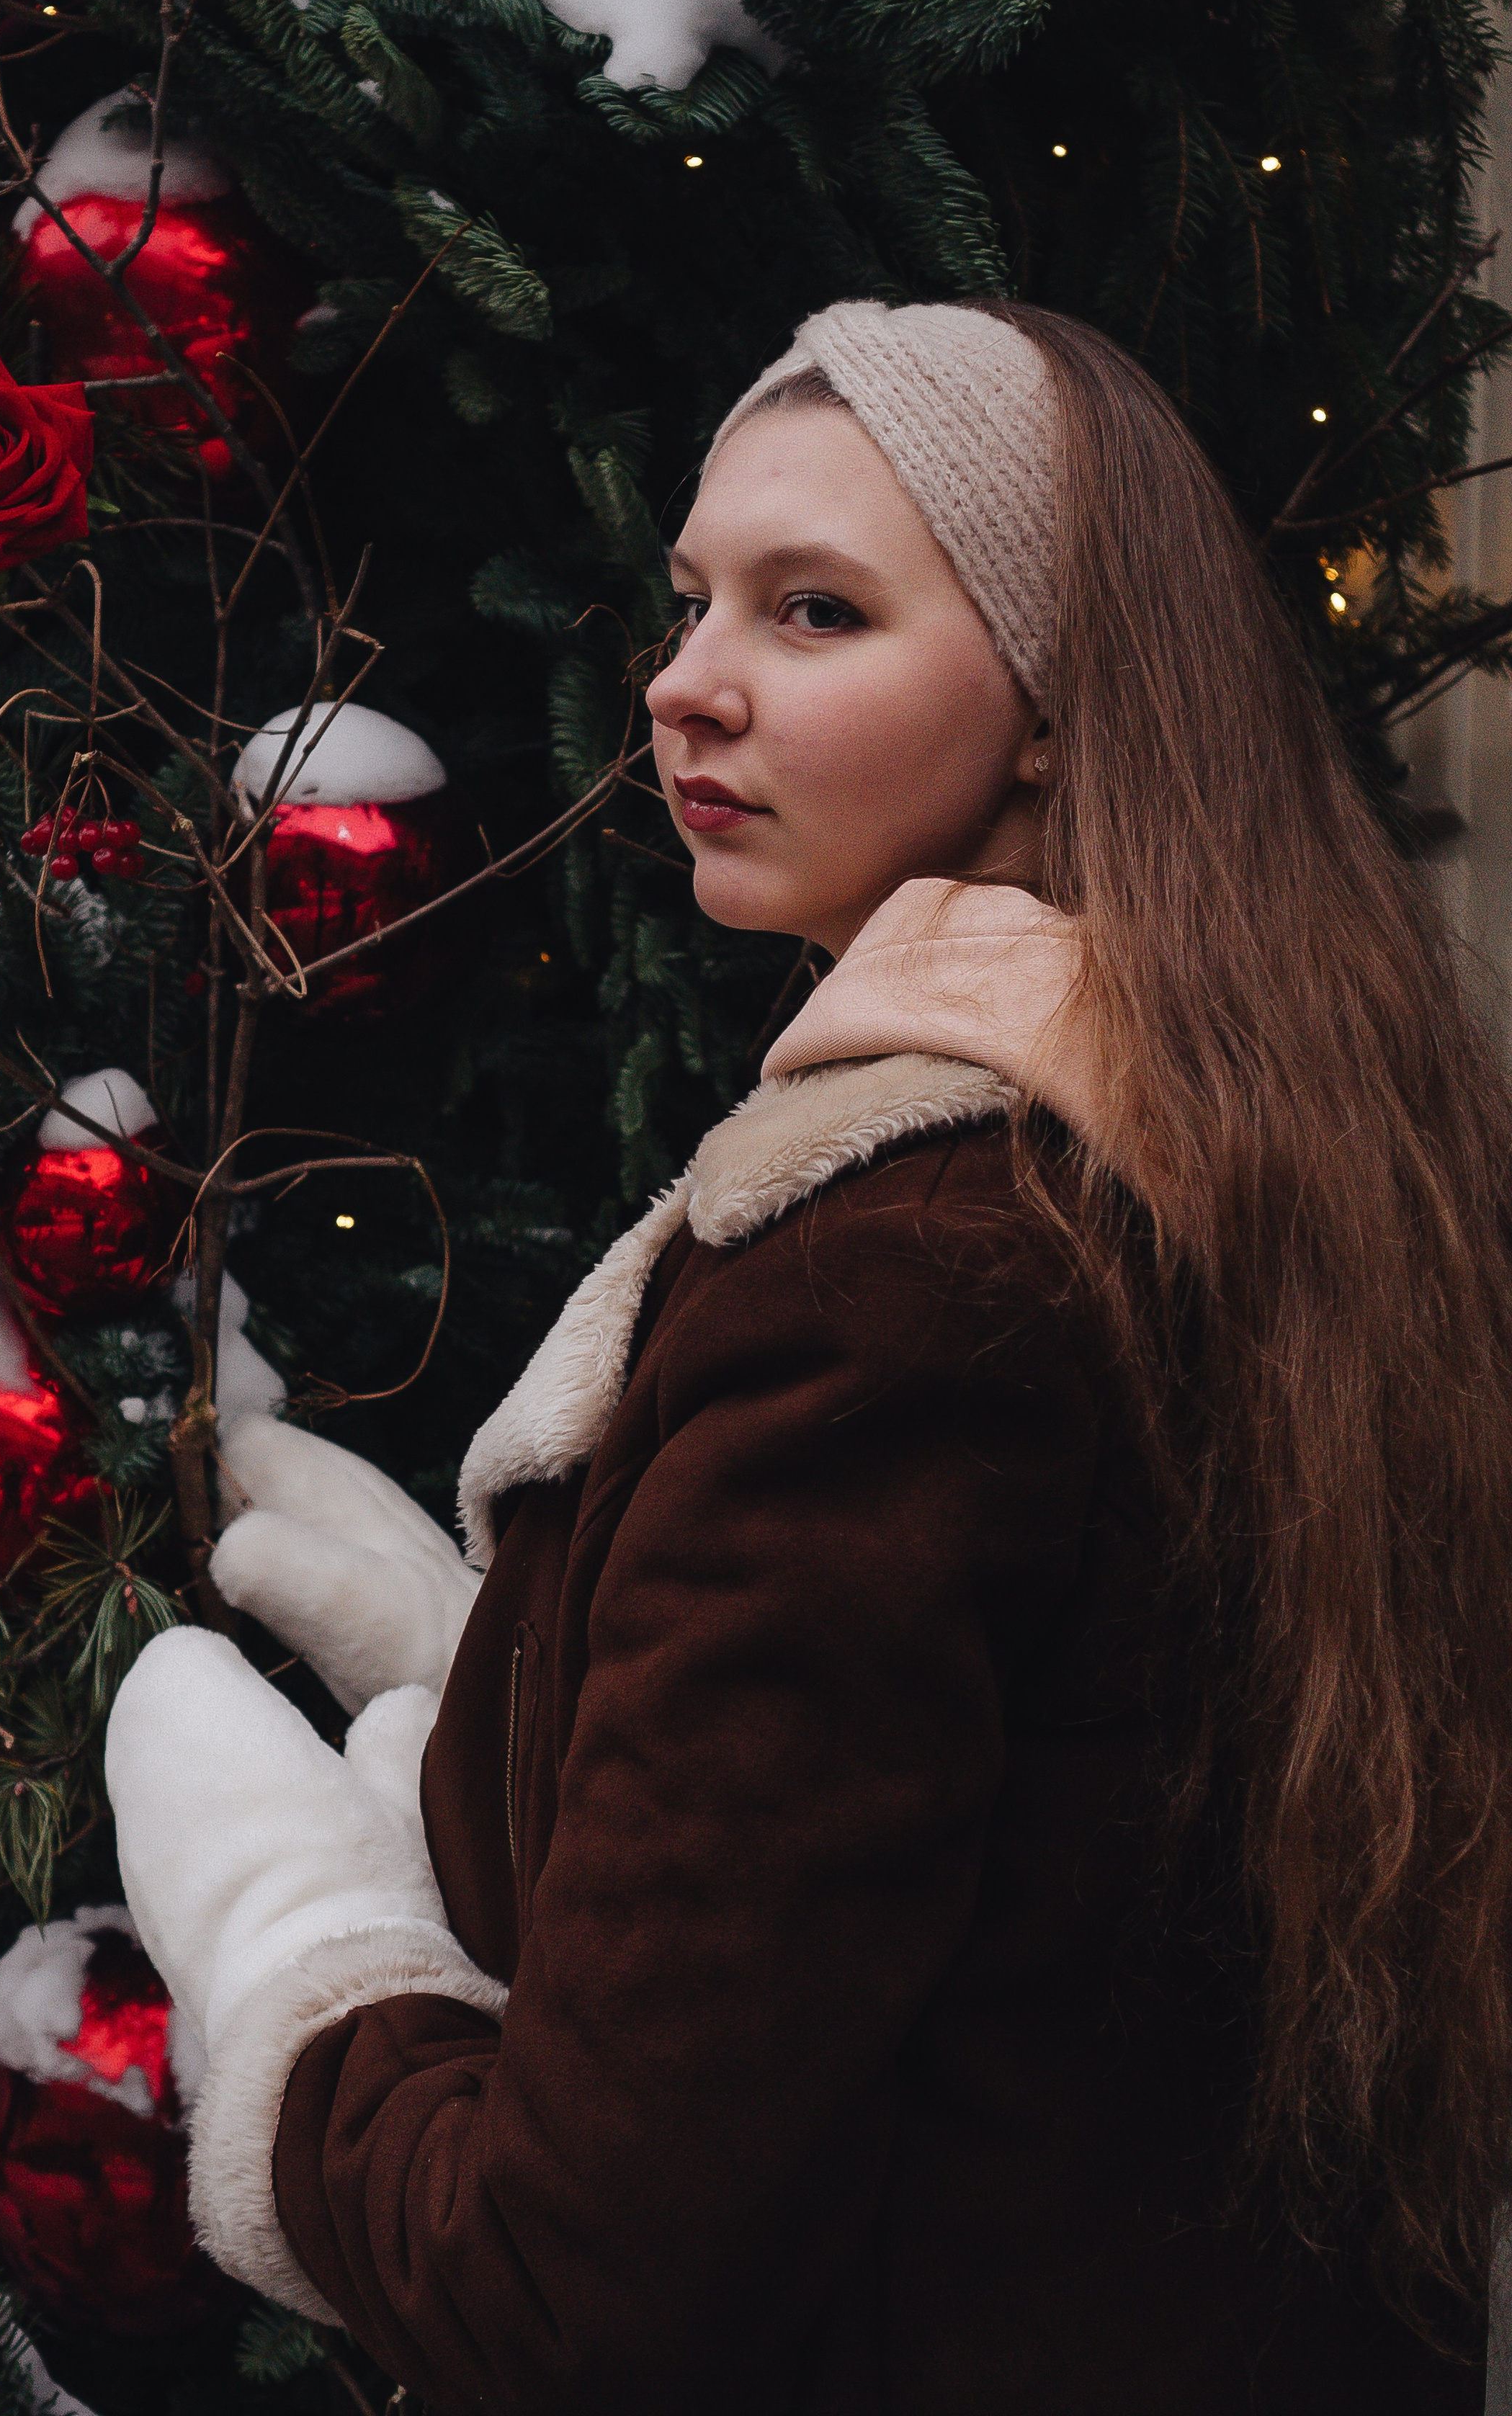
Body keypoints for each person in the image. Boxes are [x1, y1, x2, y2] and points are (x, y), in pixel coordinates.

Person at [105, 299, 1512, 2415]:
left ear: (1057, 702)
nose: (683, 681)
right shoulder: (1263, 1160)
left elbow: (575, 2299)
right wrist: (484, 1667)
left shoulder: (909, 1284)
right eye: (688, 601)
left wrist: (293, 1941)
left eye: (819, 609)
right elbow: (1036, 1889)